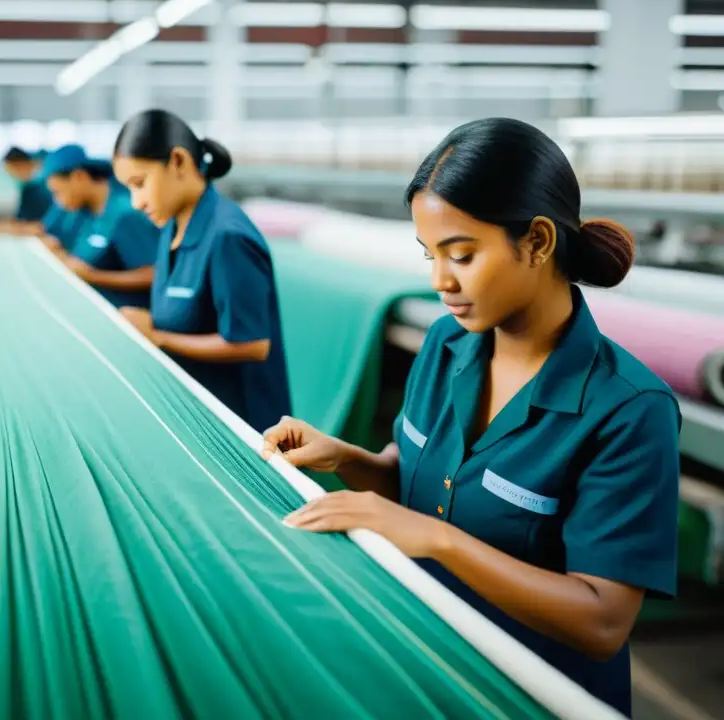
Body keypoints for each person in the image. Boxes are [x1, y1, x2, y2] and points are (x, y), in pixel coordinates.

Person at [262, 117, 679, 718]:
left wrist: (437, 541)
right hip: (430, 658)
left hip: (537, 694)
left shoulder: (629, 410)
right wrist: (346, 459)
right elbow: (417, 481)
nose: (439, 281)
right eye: (430, 255)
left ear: (536, 242)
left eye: (462, 254)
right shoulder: (444, 344)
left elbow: (602, 620)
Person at [112, 109, 292, 436]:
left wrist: (157, 335)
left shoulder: (228, 236)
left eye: (139, 184)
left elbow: (252, 344)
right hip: (195, 410)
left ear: (179, 162)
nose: (135, 202)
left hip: (243, 427)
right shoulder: (173, 225)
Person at [41, 143, 159, 309]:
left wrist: (94, 276)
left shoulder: (125, 215)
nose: (58, 202)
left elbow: (154, 274)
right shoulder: (85, 214)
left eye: (58, 193)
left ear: (79, 177)